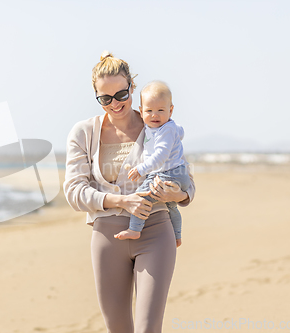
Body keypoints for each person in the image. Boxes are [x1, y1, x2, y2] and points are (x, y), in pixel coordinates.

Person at [63, 51, 195, 333]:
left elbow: (188, 183)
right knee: (118, 328)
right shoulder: (83, 133)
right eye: (105, 98)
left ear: (132, 87)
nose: (115, 103)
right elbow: (74, 191)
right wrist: (120, 200)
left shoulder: (158, 124)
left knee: (149, 328)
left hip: (156, 231)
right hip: (106, 237)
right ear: (97, 97)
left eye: (121, 94)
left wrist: (177, 195)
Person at [114, 81, 191, 246]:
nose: (154, 115)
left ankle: (134, 229)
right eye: (149, 111)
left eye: (160, 110)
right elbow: (180, 131)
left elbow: (160, 156)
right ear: (141, 112)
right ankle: (177, 236)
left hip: (169, 173)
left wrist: (141, 169)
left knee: (142, 196)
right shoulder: (166, 128)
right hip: (178, 174)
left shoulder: (165, 129)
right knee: (171, 207)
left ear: (170, 110)